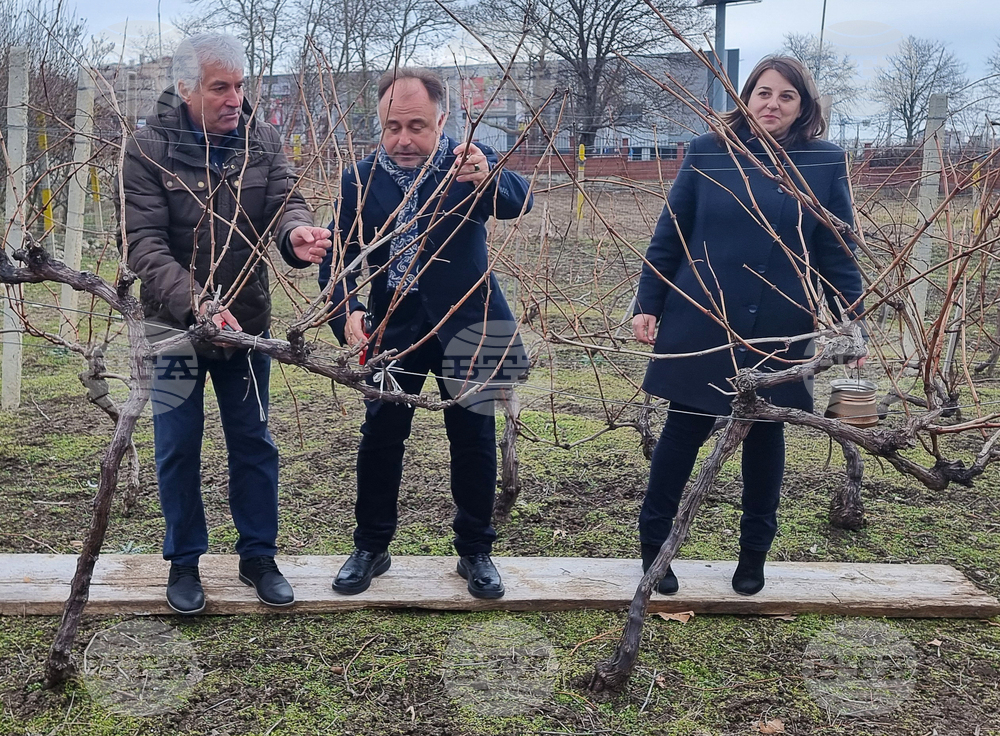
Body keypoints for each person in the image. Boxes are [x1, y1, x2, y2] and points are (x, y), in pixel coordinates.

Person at [632, 56, 864, 596]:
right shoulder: (708, 151)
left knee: (765, 433)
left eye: (787, 96)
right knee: (683, 430)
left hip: (781, 323)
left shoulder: (824, 161)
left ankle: (753, 552)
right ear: (746, 97)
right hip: (703, 315)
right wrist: (649, 302)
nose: (772, 105)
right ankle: (655, 550)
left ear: (803, 106)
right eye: (763, 93)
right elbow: (672, 234)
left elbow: (836, 248)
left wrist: (854, 319)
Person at [118, 33, 332, 614]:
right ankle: (184, 562)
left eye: (240, 85)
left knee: (253, 441)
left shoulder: (259, 141)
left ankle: (258, 556)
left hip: (246, 324)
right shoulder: (148, 149)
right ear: (186, 89)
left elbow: (285, 200)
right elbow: (144, 244)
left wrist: (296, 234)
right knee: (179, 446)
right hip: (174, 328)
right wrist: (197, 303)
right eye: (221, 88)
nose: (235, 98)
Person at [311, 67, 532, 599]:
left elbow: (515, 201)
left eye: (417, 125)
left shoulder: (467, 164)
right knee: (382, 437)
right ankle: (370, 546)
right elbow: (339, 257)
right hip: (394, 325)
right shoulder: (359, 179)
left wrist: (488, 176)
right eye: (392, 127)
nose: (404, 139)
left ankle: (476, 551)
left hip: (473, 322)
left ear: (442, 120)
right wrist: (348, 312)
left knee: (474, 440)